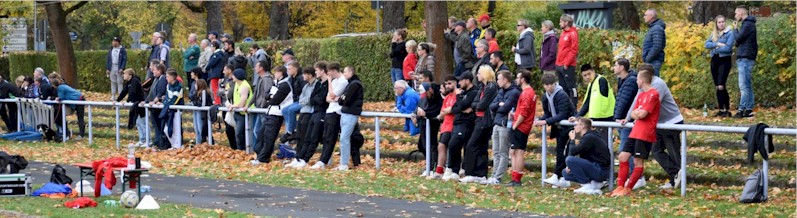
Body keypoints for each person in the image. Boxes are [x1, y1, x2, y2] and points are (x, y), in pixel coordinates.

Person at [623, 64, 685, 189]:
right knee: (656, 151)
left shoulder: (657, 85)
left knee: (673, 151)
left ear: (644, 76)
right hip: (658, 124)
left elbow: (650, 107)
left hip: (671, 122)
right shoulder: (643, 87)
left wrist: (638, 115)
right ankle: (675, 174)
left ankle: (680, 178)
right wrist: (628, 117)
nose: (637, 80)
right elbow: (637, 102)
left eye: (639, 77)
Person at [611, 69, 660, 197]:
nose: (636, 81)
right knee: (623, 157)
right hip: (635, 131)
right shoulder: (641, 95)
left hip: (645, 133)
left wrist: (638, 113)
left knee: (638, 162)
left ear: (642, 80)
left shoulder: (653, 94)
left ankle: (628, 188)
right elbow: (633, 113)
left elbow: (642, 114)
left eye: (637, 79)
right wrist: (637, 113)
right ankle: (620, 187)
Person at [536, 72, 576, 187]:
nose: (549, 87)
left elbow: (562, 114)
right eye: (547, 85)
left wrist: (546, 121)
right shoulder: (545, 97)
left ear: (555, 83)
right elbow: (548, 113)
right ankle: (560, 177)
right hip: (558, 128)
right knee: (560, 152)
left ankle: (558, 175)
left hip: (567, 127)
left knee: (564, 152)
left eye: (551, 84)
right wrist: (539, 119)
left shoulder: (561, 95)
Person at [460, 65, 497, 184]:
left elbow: (481, 105)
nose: (477, 75)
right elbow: (475, 103)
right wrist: (477, 105)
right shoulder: (482, 87)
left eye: (479, 73)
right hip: (479, 119)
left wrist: (477, 105)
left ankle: (471, 172)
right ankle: (480, 173)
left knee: (472, 145)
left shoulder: (491, 87)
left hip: (485, 120)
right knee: (480, 147)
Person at [612, 58, 644, 189]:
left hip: (626, 121)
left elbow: (625, 101)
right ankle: (632, 177)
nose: (613, 68)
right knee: (625, 150)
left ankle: (637, 177)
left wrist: (618, 117)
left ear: (621, 67)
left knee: (625, 150)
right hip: (623, 120)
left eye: (615, 65)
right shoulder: (622, 80)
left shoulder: (630, 81)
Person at [291, 61, 329, 169]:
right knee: (305, 137)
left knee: (313, 138)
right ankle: (300, 158)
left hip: (319, 113)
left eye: (317, 70)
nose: (316, 72)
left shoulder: (322, 84)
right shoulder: (318, 84)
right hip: (312, 112)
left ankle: (306, 159)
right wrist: (313, 99)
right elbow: (309, 99)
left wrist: (314, 99)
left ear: (322, 71)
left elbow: (320, 100)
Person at [441, 72, 478, 182]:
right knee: (454, 145)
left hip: (466, 123)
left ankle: (454, 169)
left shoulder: (473, 92)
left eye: (461, 80)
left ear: (467, 80)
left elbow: (461, 105)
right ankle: (455, 170)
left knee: (454, 144)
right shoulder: (463, 93)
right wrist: (459, 108)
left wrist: (458, 99)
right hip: (457, 122)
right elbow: (456, 107)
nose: (459, 83)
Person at [484, 70, 519, 185]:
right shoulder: (500, 91)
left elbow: (506, 107)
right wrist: (499, 104)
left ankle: (498, 176)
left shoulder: (514, 92)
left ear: (505, 80)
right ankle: (494, 174)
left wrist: (499, 106)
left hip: (504, 124)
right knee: (496, 151)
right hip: (497, 123)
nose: (497, 81)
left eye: (498, 79)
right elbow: (492, 106)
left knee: (503, 152)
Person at [252, 66, 292, 165]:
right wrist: (270, 96)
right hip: (269, 112)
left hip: (277, 114)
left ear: (281, 73)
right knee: (261, 135)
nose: (274, 74)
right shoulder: (275, 83)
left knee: (269, 138)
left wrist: (270, 98)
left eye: (276, 72)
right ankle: (259, 156)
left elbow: (275, 100)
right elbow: (266, 95)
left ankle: (263, 158)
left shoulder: (285, 85)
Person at [311, 63, 348, 170]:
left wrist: (329, 82)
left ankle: (323, 161)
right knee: (326, 136)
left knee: (330, 137)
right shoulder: (335, 81)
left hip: (336, 112)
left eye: (329, 72)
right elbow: (328, 98)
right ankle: (322, 160)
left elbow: (332, 94)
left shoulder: (342, 81)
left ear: (333, 71)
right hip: (329, 110)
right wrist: (333, 97)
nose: (329, 75)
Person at [563, 118, 611, 194]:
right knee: (565, 173)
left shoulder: (590, 137)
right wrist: (568, 166)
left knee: (570, 160)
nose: (574, 127)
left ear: (582, 126)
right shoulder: (587, 136)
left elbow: (573, 151)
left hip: (600, 170)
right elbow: (573, 152)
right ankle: (594, 183)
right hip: (594, 167)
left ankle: (587, 185)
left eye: (576, 125)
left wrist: (572, 140)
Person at [568, 64, 615, 139]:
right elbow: (587, 103)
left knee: (603, 142)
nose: (587, 77)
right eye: (585, 75)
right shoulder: (591, 84)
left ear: (593, 71)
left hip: (605, 118)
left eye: (589, 74)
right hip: (596, 119)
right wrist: (577, 117)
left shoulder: (601, 80)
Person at [507, 69, 537, 186]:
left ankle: (517, 179)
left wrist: (515, 125)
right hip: (521, 125)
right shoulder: (528, 92)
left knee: (518, 152)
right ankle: (514, 177)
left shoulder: (526, 93)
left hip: (521, 127)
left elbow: (524, 113)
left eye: (518, 77)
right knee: (513, 151)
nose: (516, 80)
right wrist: (515, 115)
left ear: (523, 79)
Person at [285, 67, 318, 168]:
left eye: (305, 74)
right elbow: (301, 100)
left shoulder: (316, 85)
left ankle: (302, 158)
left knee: (305, 137)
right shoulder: (306, 86)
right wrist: (306, 100)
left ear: (310, 75)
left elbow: (311, 99)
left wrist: (306, 100)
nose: (303, 76)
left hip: (310, 113)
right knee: (299, 136)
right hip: (303, 111)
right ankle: (297, 157)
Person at [704, 15, 735, 117]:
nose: (721, 24)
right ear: (716, 24)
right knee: (718, 86)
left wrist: (715, 48)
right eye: (719, 22)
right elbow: (706, 44)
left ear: (725, 22)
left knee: (722, 85)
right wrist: (717, 44)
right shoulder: (714, 33)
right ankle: (721, 109)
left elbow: (728, 48)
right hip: (715, 60)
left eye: (723, 22)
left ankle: (727, 110)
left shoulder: (729, 33)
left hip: (724, 60)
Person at [428, 76, 458, 180]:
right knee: (441, 146)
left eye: (449, 83)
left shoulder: (457, 96)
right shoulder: (448, 97)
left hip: (452, 124)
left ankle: (441, 169)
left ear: (455, 83)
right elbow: (443, 111)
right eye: (446, 84)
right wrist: (445, 112)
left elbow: (452, 110)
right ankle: (441, 168)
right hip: (445, 125)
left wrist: (446, 111)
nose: (447, 86)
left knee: (442, 145)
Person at [337, 66, 365, 171]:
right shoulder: (350, 84)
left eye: (345, 72)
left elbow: (346, 99)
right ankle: (344, 163)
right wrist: (342, 99)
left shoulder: (354, 85)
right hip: (346, 113)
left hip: (351, 113)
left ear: (350, 72)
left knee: (344, 138)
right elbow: (341, 99)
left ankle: (344, 163)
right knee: (344, 138)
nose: (343, 73)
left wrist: (342, 98)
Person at [733, 5, 758, 118]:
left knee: (743, 85)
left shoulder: (747, 24)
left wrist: (735, 29)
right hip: (746, 56)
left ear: (741, 13)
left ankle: (741, 110)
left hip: (745, 57)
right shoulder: (748, 24)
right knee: (747, 85)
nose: (735, 15)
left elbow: (738, 39)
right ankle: (748, 109)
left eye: (736, 13)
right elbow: (739, 41)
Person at [415, 80, 442, 177]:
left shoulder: (438, 96)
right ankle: (430, 162)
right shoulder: (425, 98)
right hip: (424, 123)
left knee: (431, 145)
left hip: (433, 123)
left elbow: (437, 110)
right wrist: (417, 116)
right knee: (422, 145)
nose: (425, 97)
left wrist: (426, 114)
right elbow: (419, 107)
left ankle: (432, 166)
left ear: (430, 90)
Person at [246, 60, 274, 152]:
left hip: (263, 109)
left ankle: (265, 151)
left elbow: (267, 94)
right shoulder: (260, 78)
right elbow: (255, 94)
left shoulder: (267, 79)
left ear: (261, 68)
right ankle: (260, 150)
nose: (254, 68)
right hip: (259, 108)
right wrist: (248, 105)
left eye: (256, 66)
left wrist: (262, 105)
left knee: (262, 131)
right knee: (257, 130)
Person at [116, 68, 147, 147]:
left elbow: (132, 92)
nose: (123, 75)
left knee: (142, 122)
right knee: (138, 122)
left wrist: (127, 102)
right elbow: (124, 92)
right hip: (135, 104)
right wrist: (117, 101)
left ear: (130, 75)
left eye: (125, 74)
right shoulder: (128, 83)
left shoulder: (134, 81)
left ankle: (147, 140)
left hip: (140, 104)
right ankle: (142, 140)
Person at [142, 62, 169, 149]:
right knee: (155, 125)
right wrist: (146, 101)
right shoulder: (156, 79)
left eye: (155, 70)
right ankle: (157, 142)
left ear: (159, 71)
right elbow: (151, 92)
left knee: (159, 125)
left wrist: (154, 101)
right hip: (153, 106)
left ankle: (162, 143)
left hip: (158, 106)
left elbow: (160, 92)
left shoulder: (162, 79)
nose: (153, 72)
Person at [279, 62, 306, 144]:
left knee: (291, 110)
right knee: (284, 110)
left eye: (289, 69)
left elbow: (305, 92)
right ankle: (294, 129)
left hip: (303, 101)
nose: (288, 71)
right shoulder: (291, 79)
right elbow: (294, 93)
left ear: (295, 69)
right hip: (297, 100)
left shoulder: (301, 78)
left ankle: (290, 131)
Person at [556, 14, 579, 106]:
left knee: (571, 87)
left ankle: (574, 106)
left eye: (561, 21)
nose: (559, 23)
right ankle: (565, 107)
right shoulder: (563, 33)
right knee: (562, 88)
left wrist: (566, 63)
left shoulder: (573, 33)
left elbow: (574, 50)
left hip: (568, 65)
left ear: (566, 22)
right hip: (559, 64)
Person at [227, 68, 253, 152]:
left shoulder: (244, 86)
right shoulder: (237, 84)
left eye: (234, 75)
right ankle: (240, 150)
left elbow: (242, 102)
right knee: (239, 133)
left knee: (240, 133)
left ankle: (243, 150)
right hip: (238, 112)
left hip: (244, 113)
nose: (232, 77)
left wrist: (233, 106)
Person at [188, 69, 213, 145]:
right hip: (197, 110)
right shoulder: (196, 90)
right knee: (197, 129)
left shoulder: (204, 92)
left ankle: (203, 144)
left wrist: (194, 102)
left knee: (201, 128)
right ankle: (198, 144)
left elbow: (202, 103)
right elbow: (191, 96)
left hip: (203, 113)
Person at [161, 69, 184, 149]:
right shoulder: (168, 86)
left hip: (176, 111)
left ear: (172, 77)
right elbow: (167, 98)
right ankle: (174, 145)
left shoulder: (179, 87)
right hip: (169, 110)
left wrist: (167, 105)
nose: (166, 78)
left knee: (176, 129)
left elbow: (175, 99)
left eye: (167, 76)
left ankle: (178, 146)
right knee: (166, 129)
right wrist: (164, 103)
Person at [219, 64, 239, 150]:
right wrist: (224, 92)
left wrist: (224, 92)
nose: (223, 71)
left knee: (234, 129)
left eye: (224, 70)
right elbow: (219, 92)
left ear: (229, 70)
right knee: (228, 129)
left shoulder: (234, 81)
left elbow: (230, 93)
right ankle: (233, 147)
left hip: (233, 106)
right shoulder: (224, 80)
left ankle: (238, 147)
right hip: (225, 106)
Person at [642, 9, 666, 76]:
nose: (644, 17)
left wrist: (648, 58)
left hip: (654, 61)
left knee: (653, 80)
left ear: (651, 16)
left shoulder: (656, 28)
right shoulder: (653, 28)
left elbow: (657, 46)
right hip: (652, 61)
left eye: (645, 15)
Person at [106, 37, 127, 101]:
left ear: (118, 42)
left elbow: (124, 59)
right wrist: (108, 68)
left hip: (118, 66)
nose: (113, 43)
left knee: (119, 81)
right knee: (113, 81)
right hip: (112, 66)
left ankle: (120, 95)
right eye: (113, 41)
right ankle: (113, 95)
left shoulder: (122, 50)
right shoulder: (111, 49)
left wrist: (122, 68)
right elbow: (108, 59)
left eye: (114, 41)